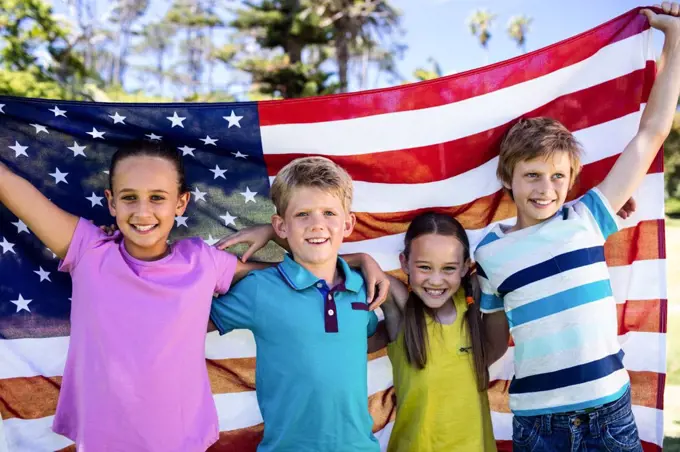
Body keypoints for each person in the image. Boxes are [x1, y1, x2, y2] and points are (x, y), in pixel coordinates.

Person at [0, 141, 386, 451]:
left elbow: (295, 275)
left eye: (157, 197)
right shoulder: (88, 250)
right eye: (129, 197)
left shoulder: (202, 262)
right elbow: (14, 189)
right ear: (111, 202)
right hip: (103, 439)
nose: (142, 211)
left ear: (181, 203)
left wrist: (351, 259)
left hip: (181, 440)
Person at [476, 5, 680, 451]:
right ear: (507, 178)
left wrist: (675, 39)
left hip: (609, 411)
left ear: (571, 181)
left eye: (558, 177)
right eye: (532, 175)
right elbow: (489, 343)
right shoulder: (488, 251)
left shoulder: (587, 216)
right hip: (537, 422)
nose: (546, 189)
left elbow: (652, 131)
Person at [210, 156, 382, 452]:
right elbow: (188, 321)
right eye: (303, 214)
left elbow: (367, 340)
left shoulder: (359, 290)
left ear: (348, 223)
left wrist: (365, 261)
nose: (317, 224)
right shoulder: (258, 291)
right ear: (280, 225)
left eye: (329, 213)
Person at [377, 212, 501, 452]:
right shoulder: (400, 307)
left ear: (465, 267)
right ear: (404, 263)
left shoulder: (473, 303)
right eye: (424, 267)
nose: (435, 280)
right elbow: (328, 268)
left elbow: (505, 261)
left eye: (448, 268)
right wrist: (363, 260)